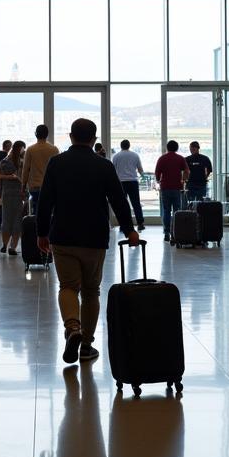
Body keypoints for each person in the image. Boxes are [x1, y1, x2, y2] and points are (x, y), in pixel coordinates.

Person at [35, 118, 140, 364]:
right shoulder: (103, 165)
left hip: (63, 235)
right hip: (94, 237)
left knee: (68, 286)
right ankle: (86, 345)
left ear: (71, 137)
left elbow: (45, 201)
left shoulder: (57, 163)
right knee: (91, 291)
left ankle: (73, 328)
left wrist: (41, 232)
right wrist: (129, 230)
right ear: (94, 139)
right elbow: (118, 200)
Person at [0, 140, 26, 255]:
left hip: (7, 193)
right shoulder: (23, 162)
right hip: (18, 193)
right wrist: (13, 177)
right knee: (17, 220)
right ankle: (12, 247)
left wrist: (7, 177)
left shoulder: (5, 161)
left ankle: (4, 244)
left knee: (6, 219)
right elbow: (25, 178)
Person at [154, 140, 188, 242]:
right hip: (177, 188)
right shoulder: (180, 158)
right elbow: (187, 171)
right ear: (177, 148)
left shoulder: (162, 158)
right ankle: (176, 232)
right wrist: (184, 180)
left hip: (165, 188)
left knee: (166, 210)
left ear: (167, 148)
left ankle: (167, 232)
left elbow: (157, 172)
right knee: (177, 211)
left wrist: (159, 180)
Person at [22, 124, 59, 215]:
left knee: (36, 212)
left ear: (36, 134)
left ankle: (37, 228)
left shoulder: (30, 150)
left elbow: (26, 169)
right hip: (50, 186)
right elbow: (57, 169)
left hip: (35, 186)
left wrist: (23, 186)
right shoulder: (54, 149)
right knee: (49, 212)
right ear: (47, 134)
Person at [112, 140, 145, 230]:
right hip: (133, 182)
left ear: (121, 146)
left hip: (121, 182)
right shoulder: (135, 155)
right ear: (129, 146)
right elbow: (140, 169)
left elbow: (113, 170)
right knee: (136, 203)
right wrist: (143, 177)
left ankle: (124, 225)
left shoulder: (116, 156)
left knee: (123, 204)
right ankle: (140, 223)